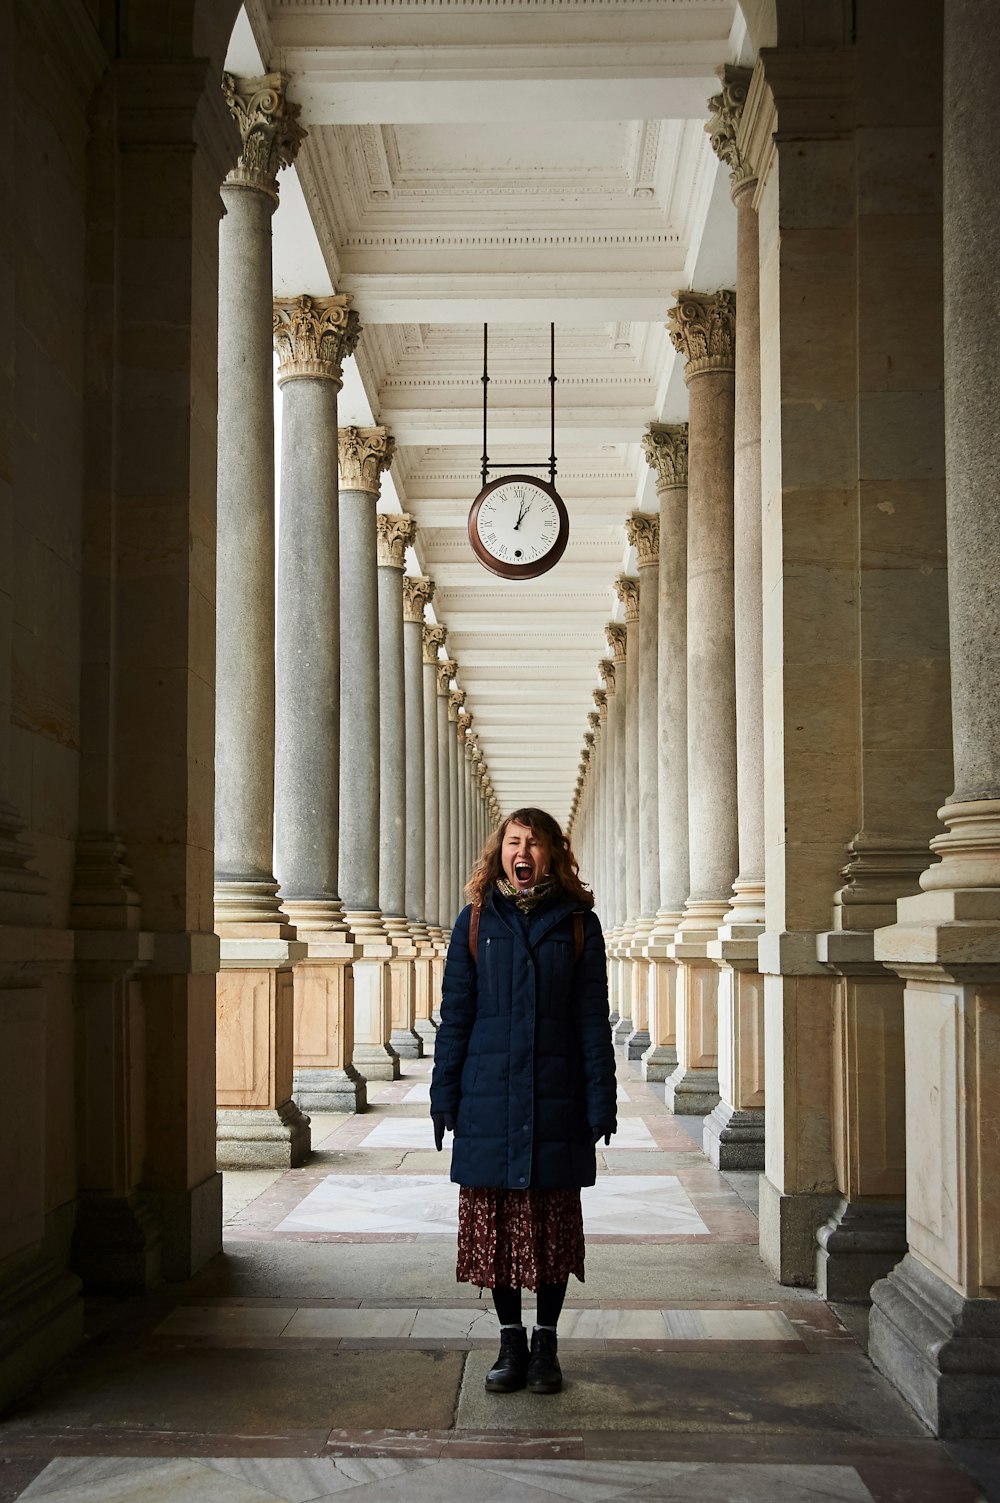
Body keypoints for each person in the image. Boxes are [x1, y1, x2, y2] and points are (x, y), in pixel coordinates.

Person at [429, 806, 616, 1395]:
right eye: (514, 842)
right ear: (499, 852)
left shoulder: (579, 923)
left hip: (556, 1096)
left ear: (553, 854)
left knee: (551, 1228)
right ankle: (510, 1343)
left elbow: (592, 1021)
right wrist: (444, 1095)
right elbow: (456, 1016)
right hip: (491, 1095)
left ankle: (547, 1347)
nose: (524, 852)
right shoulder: (474, 922)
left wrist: (600, 1099)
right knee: (500, 1230)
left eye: (535, 844)